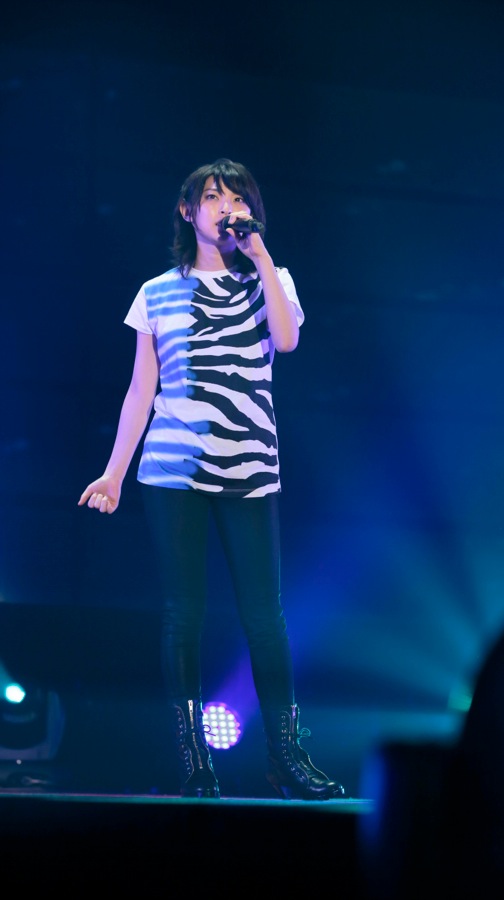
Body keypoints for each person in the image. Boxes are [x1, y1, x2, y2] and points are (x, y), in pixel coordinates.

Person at [78, 158, 345, 801]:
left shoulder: (271, 279)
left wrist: (260, 256)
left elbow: (286, 341)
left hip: (250, 468)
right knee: (184, 615)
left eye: (238, 197)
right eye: (214, 196)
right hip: (172, 471)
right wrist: (114, 472)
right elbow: (141, 390)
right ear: (187, 210)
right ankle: (194, 762)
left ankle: (286, 756)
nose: (226, 207)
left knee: (266, 617)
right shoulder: (156, 292)